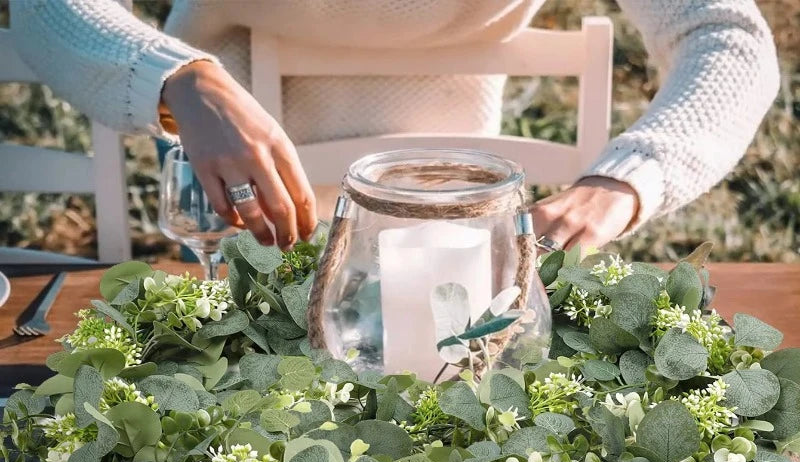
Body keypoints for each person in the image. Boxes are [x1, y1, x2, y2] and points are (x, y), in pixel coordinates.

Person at [12, 0, 779, 254]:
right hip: (242, 235)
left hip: (454, 244)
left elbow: (726, 34)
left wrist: (627, 178)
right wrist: (179, 80)